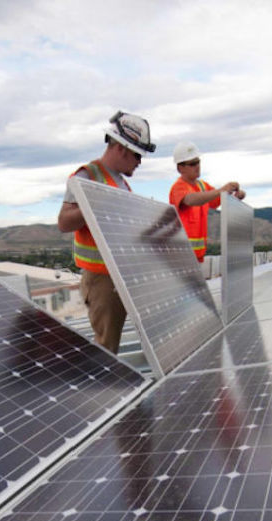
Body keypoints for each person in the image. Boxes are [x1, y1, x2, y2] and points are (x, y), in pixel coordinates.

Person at [57, 111, 155, 353]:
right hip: (101, 280)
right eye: (136, 155)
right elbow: (64, 222)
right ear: (121, 148)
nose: (139, 162)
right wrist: (94, 204)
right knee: (107, 348)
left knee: (120, 341)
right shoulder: (87, 176)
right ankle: (104, 391)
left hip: (121, 274)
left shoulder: (121, 183)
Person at [168, 142, 245, 262]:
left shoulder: (203, 186)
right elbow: (191, 199)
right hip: (182, 256)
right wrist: (222, 190)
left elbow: (217, 200)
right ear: (180, 168)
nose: (197, 166)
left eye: (198, 162)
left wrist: (234, 196)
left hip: (197, 257)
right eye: (192, 164)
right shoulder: (178, 187)